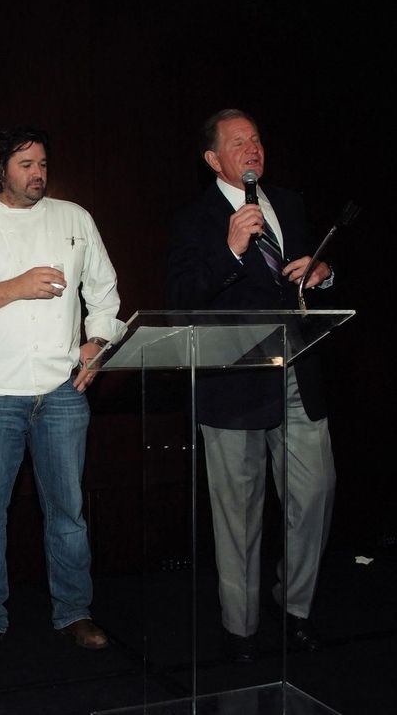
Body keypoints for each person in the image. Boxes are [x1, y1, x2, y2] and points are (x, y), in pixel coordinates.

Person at [0, 126, 123, 659]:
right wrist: (15, 287)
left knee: (69, 512)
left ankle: (75, 611)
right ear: (1, 171)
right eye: (25, 164)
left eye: (41, 164)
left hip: (62, 390)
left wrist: (98, 341)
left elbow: (104, 290)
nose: (37, 173)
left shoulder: (74, 218)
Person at [165, 108, 336, 663]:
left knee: (314, 494)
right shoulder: (193, 219)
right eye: (238, 143)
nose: (252, 149)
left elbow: (304, 283)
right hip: (233, 384)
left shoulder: (290, 203)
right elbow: (182, 298)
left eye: (256, 139)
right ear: (214, 159)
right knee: (237, 515)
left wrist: (322, 274)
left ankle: (295, 610)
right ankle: (240, 631)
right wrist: (231, 249)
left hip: (297, 373)